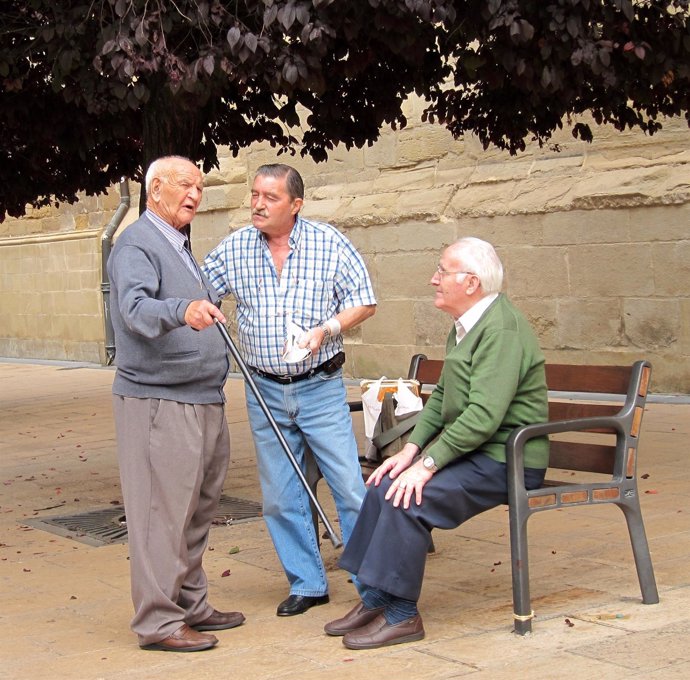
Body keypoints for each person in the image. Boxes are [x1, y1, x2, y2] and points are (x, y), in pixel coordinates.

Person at [324, 237, 549, 649]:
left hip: (507, 457)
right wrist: (410, 451)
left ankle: (402, 615)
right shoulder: (467, 324)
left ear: (471, 282)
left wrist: (426, 466)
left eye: (442, 271)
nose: (434, 279)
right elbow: (443, 397)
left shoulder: (501, 329)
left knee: (408, 499)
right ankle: (375, 597)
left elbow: (484, 417)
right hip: (477, 451)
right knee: (381, 484)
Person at [202, 163, 376, 616]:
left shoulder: (328, 242)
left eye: (271, 197)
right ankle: (307, 583)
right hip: (264, 391)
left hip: (320, 386)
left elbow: (365, 299)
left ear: (295, 204)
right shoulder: (235, 248)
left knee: (349, 488)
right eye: (255, 194)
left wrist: (328, 328)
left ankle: (371, 583)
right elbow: (199, 292)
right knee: (282, 494)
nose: (258, 204)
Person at [108, 155, 245, 652]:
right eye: (185, 185)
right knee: (160, 514)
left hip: (202, 397)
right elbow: (135, 310)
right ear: (155, 189)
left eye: (200, 187)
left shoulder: (178, 245)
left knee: (197, 509)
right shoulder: (136, 245)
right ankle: (159, 622)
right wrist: (182, 309)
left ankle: (189, 603)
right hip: (159, 401)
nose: (195, 194)